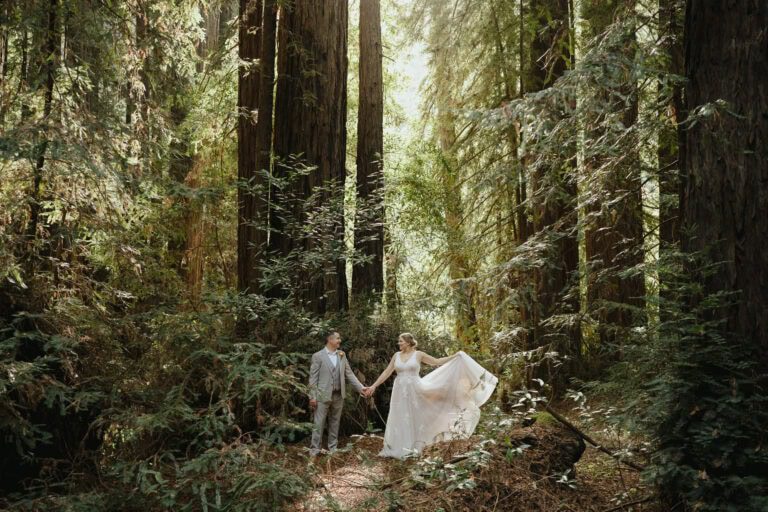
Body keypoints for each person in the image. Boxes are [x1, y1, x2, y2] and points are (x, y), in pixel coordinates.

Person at [365, 333, 498, 458]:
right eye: (399, 341)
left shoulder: (418, 354)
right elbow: (387, 372)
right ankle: (399, 446)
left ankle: (416, 445)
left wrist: (455, 356)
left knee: (416, 415)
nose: (398, 343)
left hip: (415, 389)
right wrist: (374, 386)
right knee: (400, 415)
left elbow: (436, 361)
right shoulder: (396, 356)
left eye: (401, 341)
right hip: (399, 391)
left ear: (409, 342)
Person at [308, 330, 368, 457]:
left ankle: (332, 448)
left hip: (338, 394)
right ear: (330, 340)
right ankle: (314, 450)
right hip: (322, 395)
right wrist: (312, 396)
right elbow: (313, 379)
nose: (340, 341)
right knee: (319, 423)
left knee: (335, 422)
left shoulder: (342, 355)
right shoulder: (318, 356)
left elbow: (349, 373)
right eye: (338, 338)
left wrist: (361, 388)